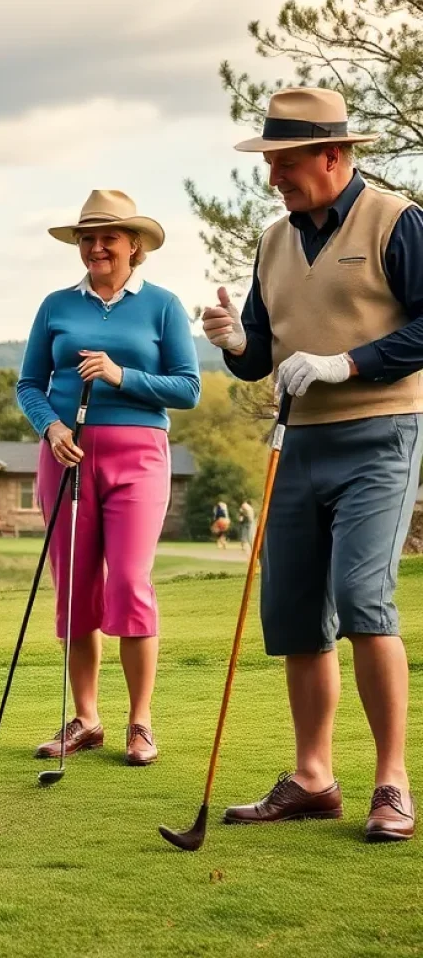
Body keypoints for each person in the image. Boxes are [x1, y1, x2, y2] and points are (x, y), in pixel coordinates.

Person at [202, 86, 423, 842]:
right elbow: (262, 356)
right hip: (297, 443)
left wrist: (349, 363)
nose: (274, 178)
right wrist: (235, 341)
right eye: (270, 164)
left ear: (334, 156)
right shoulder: (272, 241)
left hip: (381, 434)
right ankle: (313, 777)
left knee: (362, 598)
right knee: (295, 612)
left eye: (286, 163)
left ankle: (392, 782)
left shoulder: (395, 221)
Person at [18, 190, 200, 766]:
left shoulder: (163, 306)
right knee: (75, 591)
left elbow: (187, 388)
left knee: (128, 583)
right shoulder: (54, 306)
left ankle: (140, 722)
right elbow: (29, 385)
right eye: (87, 238)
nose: (96, 246)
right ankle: (86, 718)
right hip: (66, 456)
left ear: (134, 246)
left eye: (109, 237)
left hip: (138, 455)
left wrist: (121, 375)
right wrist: (50, 428)